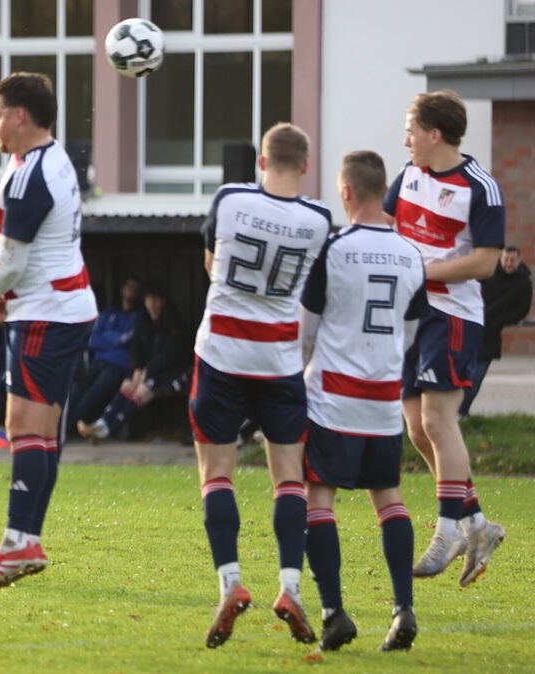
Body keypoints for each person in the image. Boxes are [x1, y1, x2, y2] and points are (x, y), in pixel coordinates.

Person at [191, 122, 331, 648]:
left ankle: (230, 582)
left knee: (216, 474)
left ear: (261, 162)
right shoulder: (319, 218)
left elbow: (212, 264)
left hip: (222, 352)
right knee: (289, 477)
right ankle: (290, 587)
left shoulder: (231, 199)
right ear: (306, 166)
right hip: (278, 359)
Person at [0, 72, 97, 591]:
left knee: (23, 428)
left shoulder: (28, 175)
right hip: (66, 306)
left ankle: (19, 542)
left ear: (20, 116)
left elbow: (13, 261)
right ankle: (26, 540)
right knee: (43, 431)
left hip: (44, 312)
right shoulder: (54, 157)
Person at [300, 150, 429, 653]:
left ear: (346, 191)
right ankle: (403, 609)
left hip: (333, 396)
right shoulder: (411, 254)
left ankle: (333, 612)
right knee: (389, 498)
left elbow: (306, 332)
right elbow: (411, 334)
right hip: (383, 399)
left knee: (319, 499)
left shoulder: (333, 250)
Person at [383, 90, 507, 586]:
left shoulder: (480, 187)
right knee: (416, 428)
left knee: (437, 419)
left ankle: (448, 530)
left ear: (435, 134)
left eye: (411, 131)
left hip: (452, 315)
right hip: (409, 315)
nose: (405, 140)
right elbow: (386, 229)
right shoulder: (407, 175)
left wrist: (422, 271)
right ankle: (477, 523)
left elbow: (487, 262)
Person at [77, 286, 190, 441]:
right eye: (149, 299)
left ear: (163, 301)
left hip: (168, 372)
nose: (152, 303)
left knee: (140, 391)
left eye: (156, 299)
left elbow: (170, 355)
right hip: (144, 371)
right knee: (127, 385)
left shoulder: (173, 322)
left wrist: (147, 370)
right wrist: (136, 369)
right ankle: (103, 423)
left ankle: (108, 429)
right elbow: (135, 349)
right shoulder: (143, 321)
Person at [459, 246, 531, 417]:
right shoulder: (487, 274)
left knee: (476, 378)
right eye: (506, 259)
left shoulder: (523, 283)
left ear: (519, 260)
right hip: (470, 330)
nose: (509, 263)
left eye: (512, 260)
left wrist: (500, 320)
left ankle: (462, 412)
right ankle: (453, 412)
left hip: (491, 334)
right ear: (500, 259)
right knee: (460, 376)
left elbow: (522, 310)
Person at [66, 277, 142, 433]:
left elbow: (127, 338)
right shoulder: (109, 313)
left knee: (92, 395)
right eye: (129, 287)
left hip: (119, 365)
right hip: (98, 360)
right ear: (122, 290)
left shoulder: (140, 316)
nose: (132, 291)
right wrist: (115, 341)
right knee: (76, 388)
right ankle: (58, 425)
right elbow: (93, 340)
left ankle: (67, 428)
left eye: (135, 288)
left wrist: (108, 338)